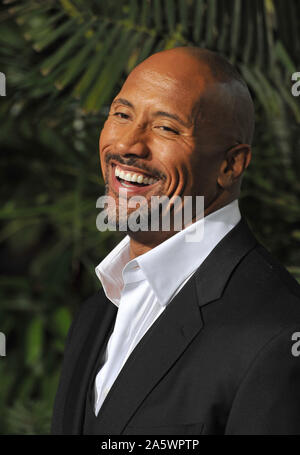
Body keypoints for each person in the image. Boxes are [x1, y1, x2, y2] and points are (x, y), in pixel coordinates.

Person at [51, 47, 300, 435]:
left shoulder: (278, 334)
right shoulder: (97, 311)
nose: (127, 146)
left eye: (166, 128)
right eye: (121, 115)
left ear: (230, 165)